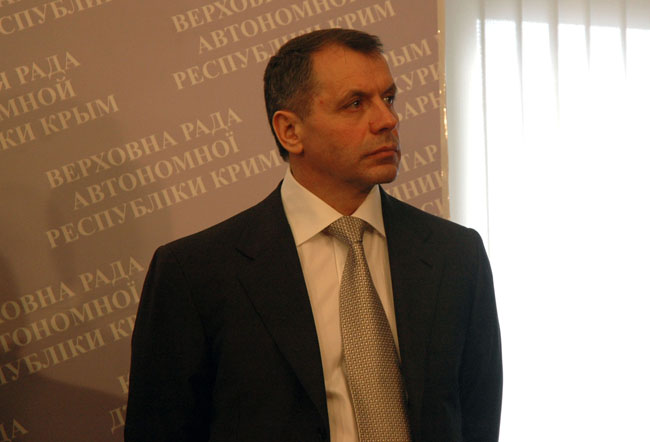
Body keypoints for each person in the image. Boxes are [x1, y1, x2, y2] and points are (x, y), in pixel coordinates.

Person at [125, 29, 502, 442]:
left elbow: (477, 419)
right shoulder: (195, 273)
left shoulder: (456, 255)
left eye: (388, 98)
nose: (387, 120)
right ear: (290, 131)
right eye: (355, 104)